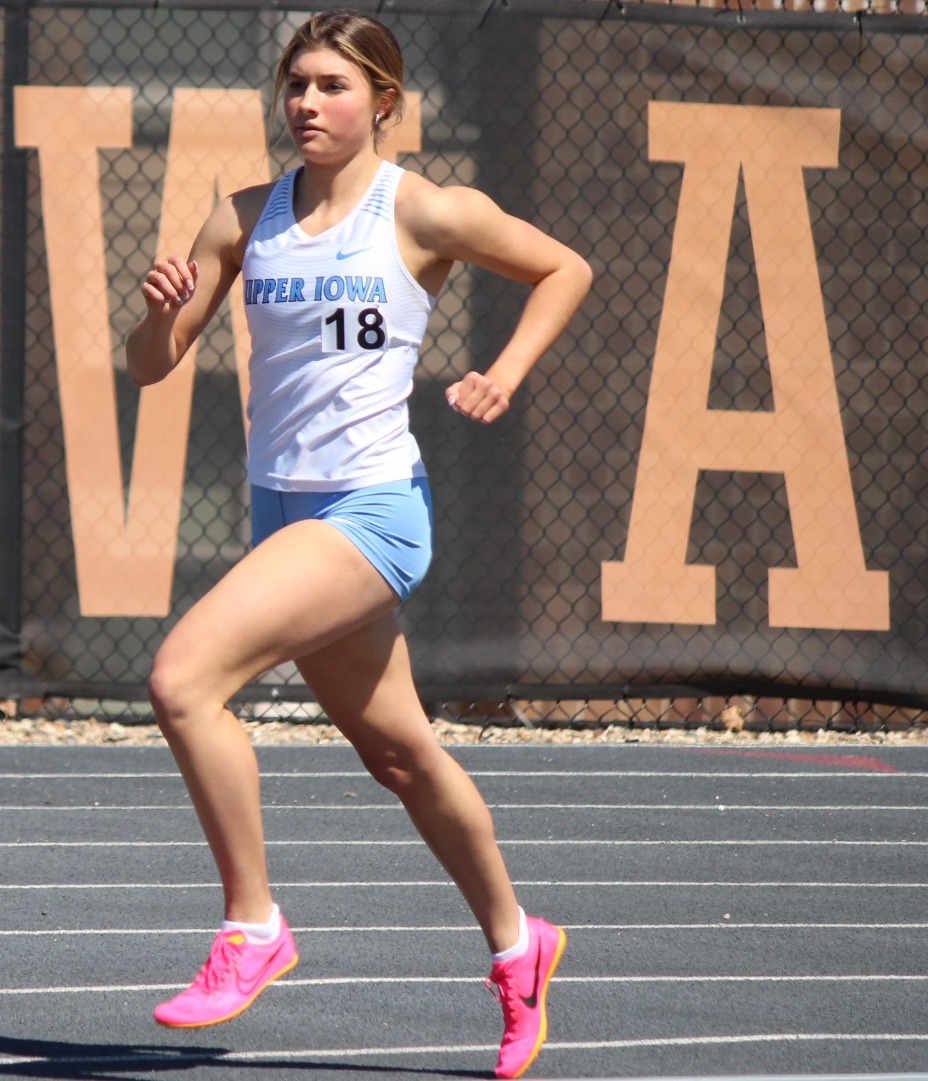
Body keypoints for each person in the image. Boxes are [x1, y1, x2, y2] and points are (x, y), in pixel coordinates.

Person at [122, 10, 592, 1079]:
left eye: (332, 86)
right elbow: (153, 364)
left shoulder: (421, 207)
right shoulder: (243, 218)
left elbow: (566, 269)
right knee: (401, 754)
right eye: (295, 85)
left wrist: (506, 371)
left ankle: (254, 926)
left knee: (183, 679)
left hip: (373, 512)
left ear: (383, 99)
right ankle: (522, 945)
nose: (307, 105)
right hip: (285, 513)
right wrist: (153, 316)